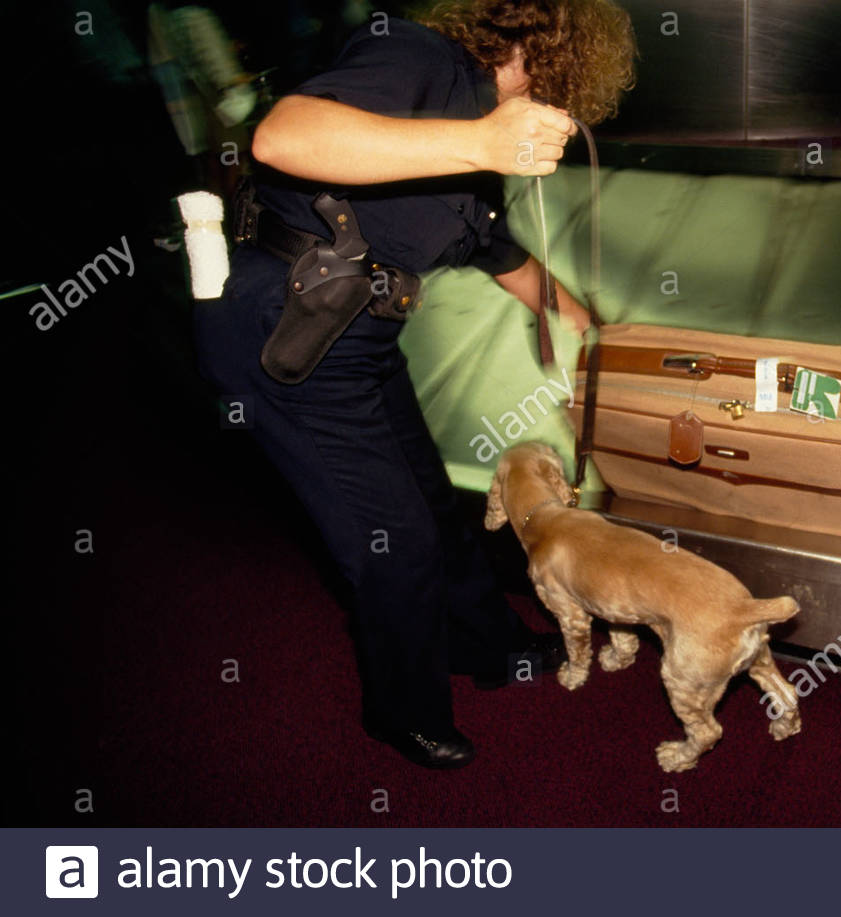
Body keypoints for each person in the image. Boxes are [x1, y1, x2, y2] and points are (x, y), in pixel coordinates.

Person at [193, 0, 636, 769]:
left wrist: (585, 322)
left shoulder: (478, 127)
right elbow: (283, 133)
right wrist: (480, 139)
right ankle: (402, 710)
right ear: (546, 47)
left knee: (433, 502)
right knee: (395, 542)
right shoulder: (421, 59)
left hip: (357, 333)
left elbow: (496, 249)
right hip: (285, 330)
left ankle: (490, 647)